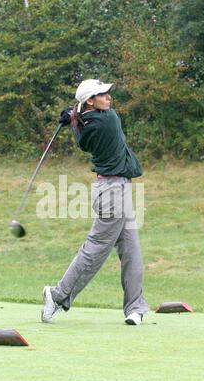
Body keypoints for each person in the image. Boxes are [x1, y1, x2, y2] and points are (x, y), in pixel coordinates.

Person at [41, 79, 149, 325]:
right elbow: (97, 114)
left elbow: (79, 117)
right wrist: (73, 113)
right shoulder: (107, 120)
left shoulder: (82, 125)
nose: (109, 98)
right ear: (91, 101)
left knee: (131, 250)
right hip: (112, 192)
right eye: (102, 94)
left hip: (115, 188)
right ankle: (57, 295)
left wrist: (72, 114)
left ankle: (135, 308)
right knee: (96, 249)